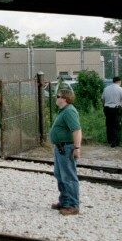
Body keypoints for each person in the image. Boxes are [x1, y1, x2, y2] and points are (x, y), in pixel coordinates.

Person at [49, 88, 82, 216]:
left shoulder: (69, 112)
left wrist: (77, 148)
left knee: (68, 176)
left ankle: (72, 205)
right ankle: (64, 201)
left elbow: (77, 130)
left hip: (66, 148)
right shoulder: (64, 111)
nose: (56, 98)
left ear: (65, 98)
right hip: (60, 148)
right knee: (60, 175)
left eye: (58, 96)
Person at [102, 76, 122, 148]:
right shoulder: (121, 89)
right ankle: (115, 143)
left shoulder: (106, 89)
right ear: (119, 82)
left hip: (107, 109)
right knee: (117, 125)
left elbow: (102, 99)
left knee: (109, 125)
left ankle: (110, 140)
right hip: (116, 109)